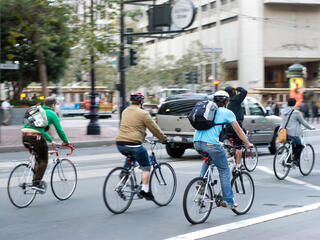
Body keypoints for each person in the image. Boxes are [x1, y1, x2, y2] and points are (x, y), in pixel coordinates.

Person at [194, 91, 252, 209]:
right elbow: (239, 131)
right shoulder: (227, 112)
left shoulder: (207, 110)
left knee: (209, 159)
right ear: (226, 102)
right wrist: (247, 143)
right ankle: (228, 201)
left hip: (196, 142)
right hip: (211, 144)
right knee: (224, 169)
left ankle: (202, 182)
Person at [116, 91, 167, 201]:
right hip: (134, 144)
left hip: (120, 143)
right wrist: (163, 139)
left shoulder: (125, 111)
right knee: (146, 166)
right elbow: (154, 128)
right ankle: (145, 190)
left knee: (131, 157)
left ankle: (124, 174)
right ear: (141, 101)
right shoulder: (143, 113)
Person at [21, 96, 69, 192]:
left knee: (38, 156)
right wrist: (66, 141)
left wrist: (50, 140)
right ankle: (36, 183)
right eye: (56, 105)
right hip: (36, 137)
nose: (55, 107)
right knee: (44, 160)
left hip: (25, 135)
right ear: (53, 105)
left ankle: (36, 173)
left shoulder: (38, 110)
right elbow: (59, 130)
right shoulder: (52, 113)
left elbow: (40, 129)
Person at [281, 98, 315, 164]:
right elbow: (303, 122)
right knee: (300, 145)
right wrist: (311, 128)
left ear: (287, 103)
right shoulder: (296, 113)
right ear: (295, 104)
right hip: (293, 134)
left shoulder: (283, 112)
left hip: (284, 133)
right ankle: (295, 160)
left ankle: (289, 160)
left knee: (294, 145)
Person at [224, 86, 247, 169]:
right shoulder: (236, 99)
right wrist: (238, 88)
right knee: (239, 145)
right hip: (237, 124)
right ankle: (238, 165)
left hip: (227, 126)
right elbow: (244, 91)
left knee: (228, 144)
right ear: (233, 91)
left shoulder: (226, 101)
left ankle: (230, 156)